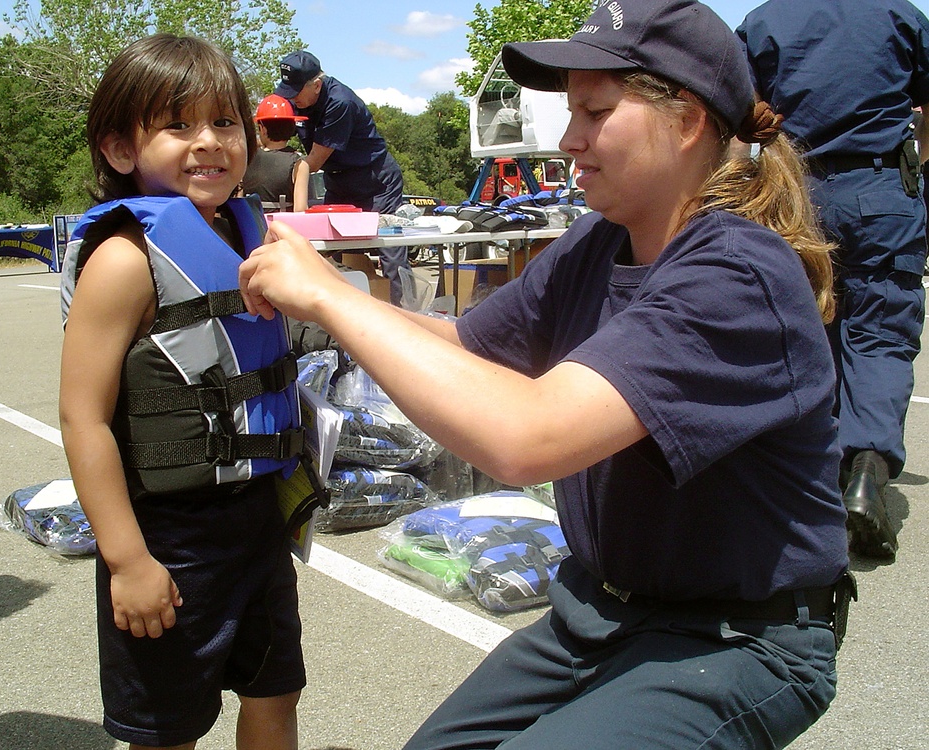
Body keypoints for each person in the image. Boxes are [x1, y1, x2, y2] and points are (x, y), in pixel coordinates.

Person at [239, 1, 853, 747]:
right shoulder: (600, 241)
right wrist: (317, 311)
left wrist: (331, 297)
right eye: (570, 113)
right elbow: (460, 345)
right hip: (599, 610)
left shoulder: (737, 272)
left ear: (687, 120)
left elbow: (525, 438)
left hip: (731, 638)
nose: (569, 141)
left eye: (594, 112)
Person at [58, 34, 305, 750]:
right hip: (169, 538)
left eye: (225, 123)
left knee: (275, 692)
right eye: (178, 126)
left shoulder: (252, 237)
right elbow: (82, 418)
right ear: (119, 149)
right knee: (167, 731)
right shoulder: (124, 260)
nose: (210, 143)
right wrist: (128, 561)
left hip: (255, 523)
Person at [738, 0, 929, 560]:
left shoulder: (766, 21)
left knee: (807, 334)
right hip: (883, 190)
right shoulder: (899, 14)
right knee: (880, 333)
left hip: (800, 193)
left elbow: (744, 113)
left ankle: (810, 482)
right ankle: (866, 472)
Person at [274, 49, 411, 306]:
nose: (290, 99)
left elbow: (313, 161)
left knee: (390, 251)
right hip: (338, 180)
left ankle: (407, 315)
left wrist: (276, 168)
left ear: (316, 85)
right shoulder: (295, 99)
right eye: (286, 91)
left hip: (375, 180)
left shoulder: (340, 102)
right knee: (325, 247)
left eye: (295, 92)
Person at [243, 94, 310, 211]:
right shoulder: (299, 164)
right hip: (280, 226)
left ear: (262, 129)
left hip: (251, 226)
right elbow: (300, 209)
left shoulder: (246, 158)